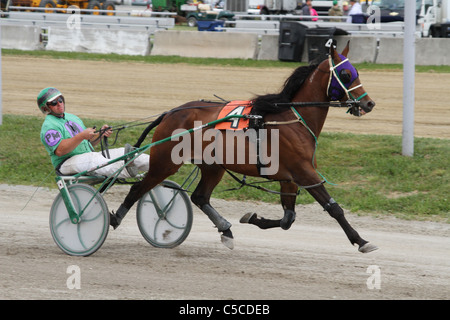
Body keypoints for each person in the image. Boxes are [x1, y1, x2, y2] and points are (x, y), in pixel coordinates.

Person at [38, 87, 149, 179]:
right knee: (93, 158)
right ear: (46, 108)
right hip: (66, 163)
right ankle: (127, 170)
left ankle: (160, 164)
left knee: (123, 152)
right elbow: (60, 150)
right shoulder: (49, 126)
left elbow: (88, 143)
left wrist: (100, 134)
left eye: (60, 100)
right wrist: (81, 136)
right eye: (53, 102)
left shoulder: (73, 118)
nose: (59, 104)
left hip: (86, 157)